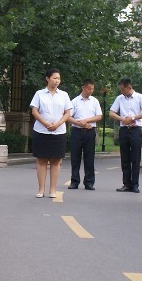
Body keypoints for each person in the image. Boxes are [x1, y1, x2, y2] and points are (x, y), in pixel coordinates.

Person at [29, 68, 72, 198]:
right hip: (41, 131)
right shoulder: (39, 94)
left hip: (58, 132)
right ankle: (41, 188)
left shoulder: (64, 95)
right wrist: (45, 123)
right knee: (41, 160)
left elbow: (68, 113)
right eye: (54, 78)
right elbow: (35, 111)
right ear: (47, 78)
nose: (57, 81)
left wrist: (58, 124)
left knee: (55, 161)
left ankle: (53, 189)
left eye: (58, 78)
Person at [110, 77, 142, 192]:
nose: (122, 92)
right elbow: (111, 113)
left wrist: (133, 118)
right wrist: (122, 119)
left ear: (129, 87)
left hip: (136, 130)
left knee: (136, 158)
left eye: (123, 90)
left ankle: (135, 184)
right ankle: (126, 183)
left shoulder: (140, 97)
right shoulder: (120, 98)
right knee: (125, 157)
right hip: (124, 129)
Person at [68, 79, 102, 190]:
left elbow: (99, 116)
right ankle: (74, 181)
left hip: (90, 132)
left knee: (89, 157)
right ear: (83, 88)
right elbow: (68, 117)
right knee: (75, 157)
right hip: (77, 131)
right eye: (89, 88)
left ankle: (89, 182)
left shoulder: (94, 101)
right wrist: (80, 123)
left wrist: (86, 121)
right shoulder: (74, 101)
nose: (90, 91)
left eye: (92, 89)